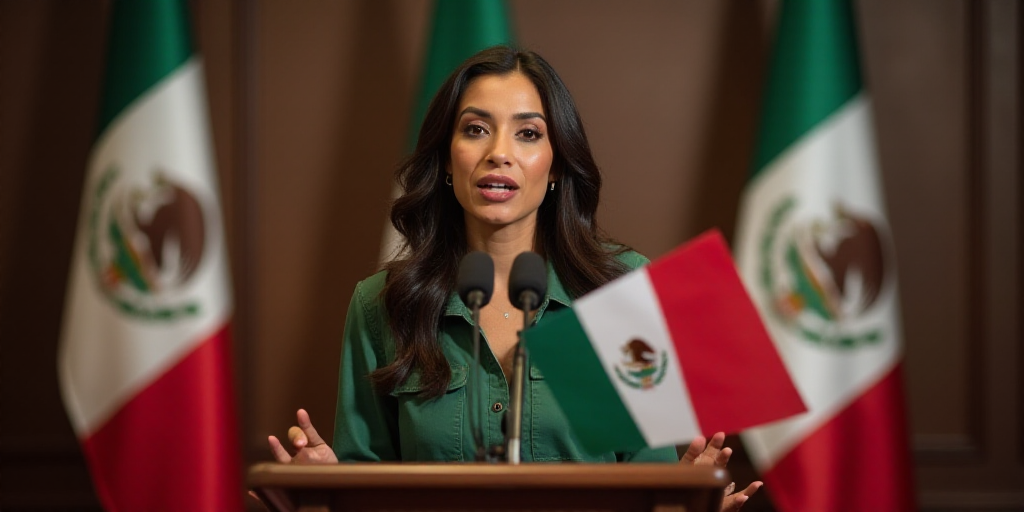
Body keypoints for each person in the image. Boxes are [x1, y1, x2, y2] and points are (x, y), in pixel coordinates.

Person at [268, 46, 761, 510]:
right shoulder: (382, 303)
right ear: (446, 158)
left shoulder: (622, 290)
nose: (499, 152)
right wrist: (329, 493)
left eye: (528, 133)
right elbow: (367, 490)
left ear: (556, 166)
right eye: (476, 129)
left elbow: (647, 488)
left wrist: (684, 496)